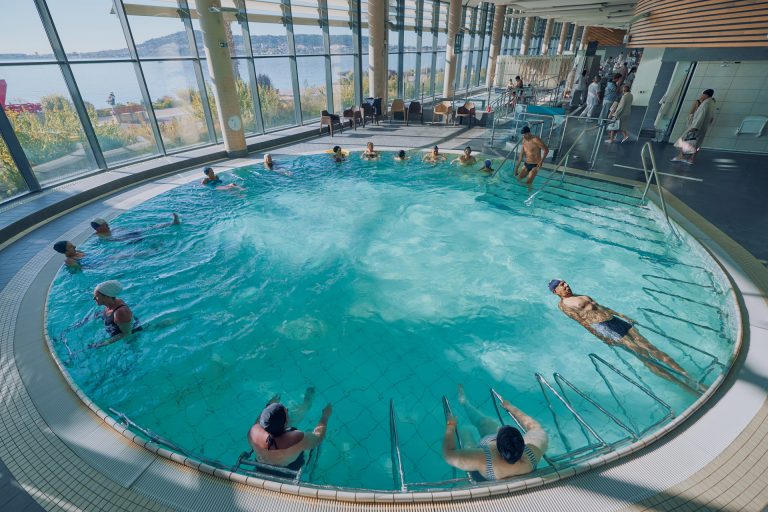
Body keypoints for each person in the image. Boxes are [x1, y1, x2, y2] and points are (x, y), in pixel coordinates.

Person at [548, 279, 703, 394]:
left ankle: (686, 375)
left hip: (615, 320)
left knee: (650, 347)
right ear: (556, 292)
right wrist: (602, 337)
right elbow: (582, 322)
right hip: (605, 328)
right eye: (562, 285)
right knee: (643, 355)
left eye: (565, 282)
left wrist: (622, 315)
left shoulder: (583, 295)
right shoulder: (564, 306)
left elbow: (602, 307)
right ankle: (679, 383)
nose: (566, 285)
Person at [442, 385, 548, 481]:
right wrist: (511, 408)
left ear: (498, 444)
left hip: (484, 470)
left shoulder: (481, 459)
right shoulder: (533, 452)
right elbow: (535, 427)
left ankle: (464, 408)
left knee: (465, 431)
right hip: (500, 453)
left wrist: (451, 426)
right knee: (485, 422)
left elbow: (448, 454)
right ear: (523, 443)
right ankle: (465, 403)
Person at [247, 390, 332, 469]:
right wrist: (325, 416)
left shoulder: (253, 432)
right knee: (310, 432)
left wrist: (269, 406)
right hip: (287, 470)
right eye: (286, 412)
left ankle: (306, 404)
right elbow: (318, 438)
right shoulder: (297, 440)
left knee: (280, 423)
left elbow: (262, 419)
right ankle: (307, 403)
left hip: (261, 467)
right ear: (286, 423)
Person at [89, 280, 142, 349]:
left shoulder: (120, 312)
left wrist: (103, 343)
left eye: (96, 296)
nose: (94, 298)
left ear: (107, 296)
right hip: (117, 326)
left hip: (129, 339)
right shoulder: (110, 303)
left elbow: (126, 334)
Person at [672, 89, 715, 165]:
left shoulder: (704, 104)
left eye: (702, 94)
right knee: (697, 143)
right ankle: (691, 159)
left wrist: (695, 127)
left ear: (706, 95)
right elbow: (711, 118)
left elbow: (699, 116)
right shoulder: (711, 104)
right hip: (702, 127)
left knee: (684, 140)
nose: (701, 96)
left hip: (696, 127)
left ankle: (681, 156)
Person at [91, 213, 179, 240]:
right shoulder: (99, 236)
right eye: (105, 225)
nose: (108, 226)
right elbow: (114, 240)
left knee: (151, 228)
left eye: (107, 224)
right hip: (127, 238)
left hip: (130, 234)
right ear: (98, 228)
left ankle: (172, 223)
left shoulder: (108, 231)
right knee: (151, 233)